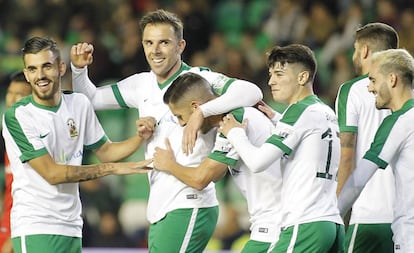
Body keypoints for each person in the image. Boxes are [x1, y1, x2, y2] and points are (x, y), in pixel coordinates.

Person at [70, 9, 263, 252]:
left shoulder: (198, 79)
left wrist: (200, 113)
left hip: (190, 202)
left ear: (180, 45)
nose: (155, 50)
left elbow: (251, 92)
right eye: (149, 43)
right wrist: (79, 71)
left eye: (164, 42)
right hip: (163, 204)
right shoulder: (141, 84)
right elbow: (90, 97)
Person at [1, 36, 152, 253]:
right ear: (26, 74)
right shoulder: (18, 116)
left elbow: (107, 151)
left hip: (72, 225)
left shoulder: (79, 104)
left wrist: (140, 136)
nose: (40, 75)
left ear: (61, 68)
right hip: (35, 224)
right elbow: (52, 174)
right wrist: (111, 169)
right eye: (32, 69)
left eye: (47, 66)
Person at [219, 44, 344, 253]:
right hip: (330, 223)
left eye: (279, 74)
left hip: (305, 223)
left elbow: (257, 162)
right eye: (270, 74)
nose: (271, 81)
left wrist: (234, 133)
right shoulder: (325, 111)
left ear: (303, 77)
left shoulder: (299, 111)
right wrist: (278, 119)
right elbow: (307, 140)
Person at [152, 72, 282, 253]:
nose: (182, 124)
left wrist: (169, 164)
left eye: (180, 116)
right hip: (274, 224)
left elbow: (201, 179)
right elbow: (217, 174)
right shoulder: (238, 116)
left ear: (195, 107)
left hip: (276, 227)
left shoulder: (235, 119)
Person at [338, 48, 414, 252]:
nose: (370, 88)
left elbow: (358, 179)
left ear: (392, 79)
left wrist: (331, 217)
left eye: (372, 80)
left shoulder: (398, 121)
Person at [335, 22, 398, 253]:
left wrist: (337, 211)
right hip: (405, 216)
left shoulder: (352, 91)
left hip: (368, 214)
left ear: (364, 51)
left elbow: (346, 158)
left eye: (355, 49)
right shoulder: (409, 89)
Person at [0, 71, 32, 253]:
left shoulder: (30, 138)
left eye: (19, 94)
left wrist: (14, 236)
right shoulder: (10, 132)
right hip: (9, 218)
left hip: (22, 225)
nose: (12, 99)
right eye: (9, 93)